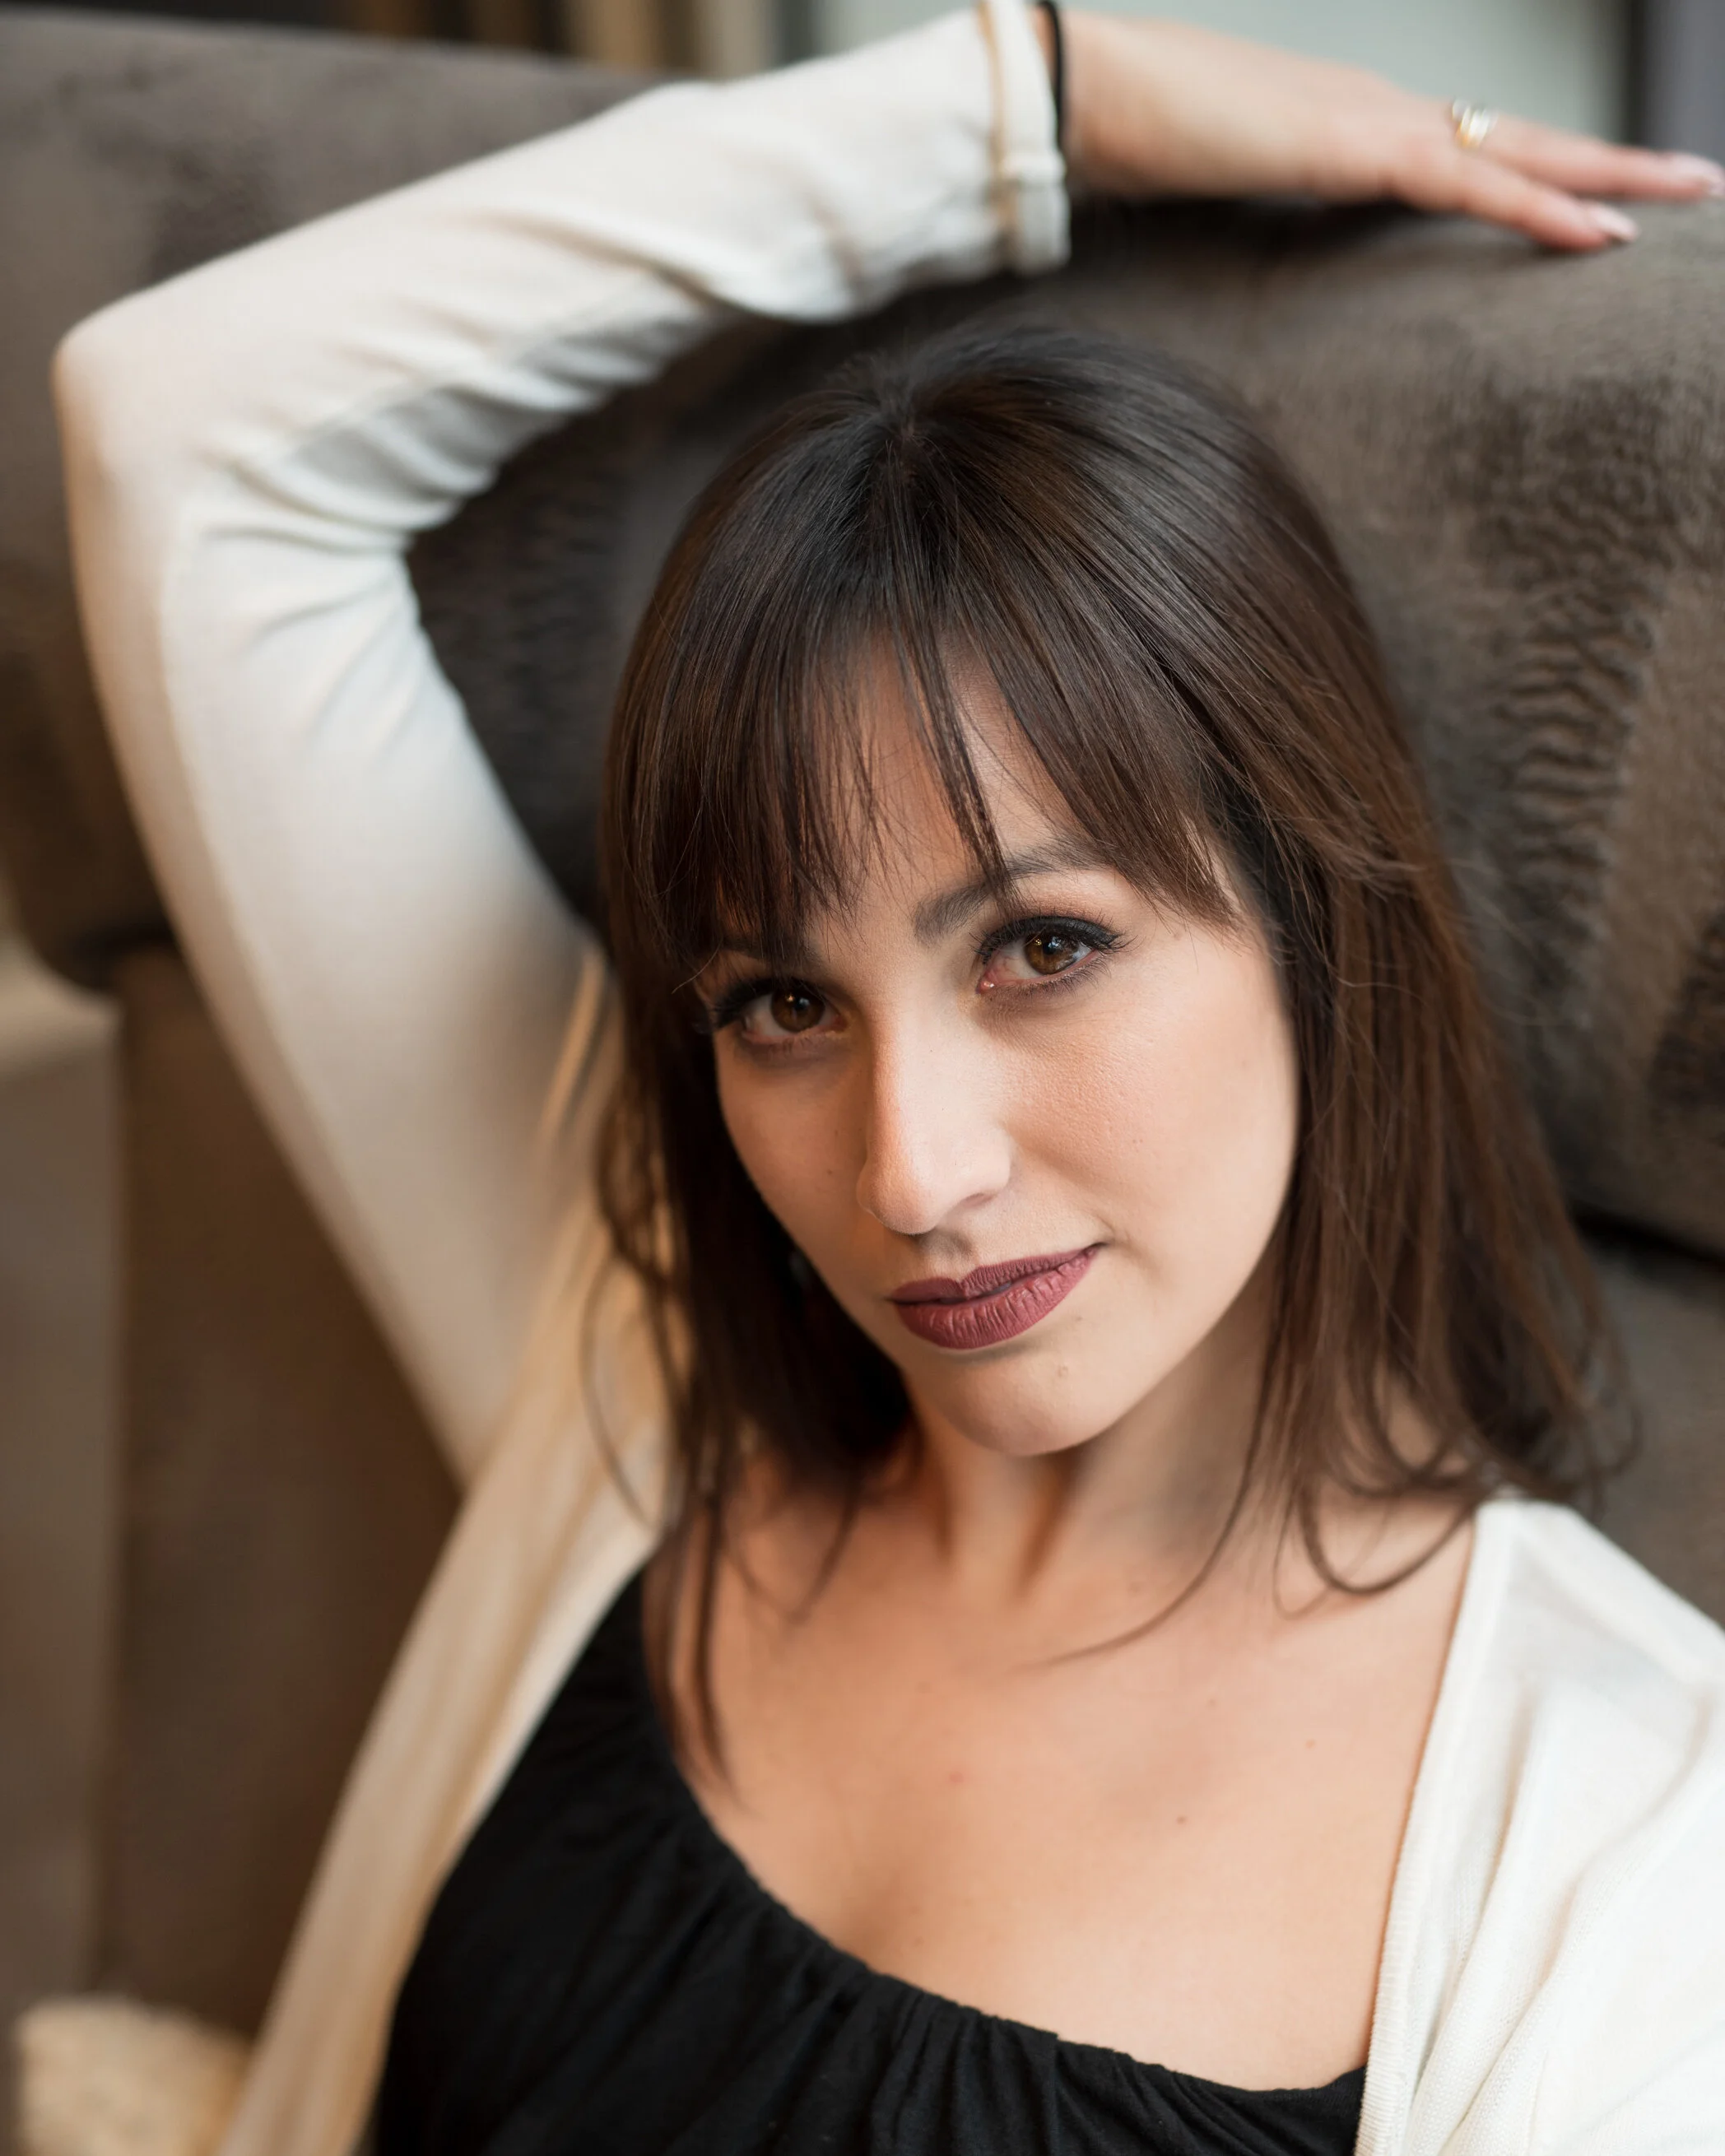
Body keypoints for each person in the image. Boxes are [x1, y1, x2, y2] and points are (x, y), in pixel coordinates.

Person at [52, 6, 1725, 2153]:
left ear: (1320, 925)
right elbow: (177, 435)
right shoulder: (634, 1373)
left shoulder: (1628, 1855)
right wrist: (1033, 98)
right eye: (783, 1004)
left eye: (1043, 948)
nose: (909, 1175)